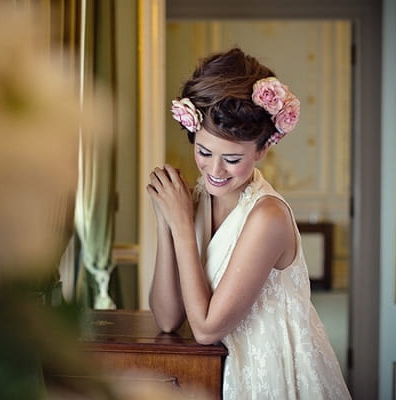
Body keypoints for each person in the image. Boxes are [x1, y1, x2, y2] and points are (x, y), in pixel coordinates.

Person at [147, 48, 351, 399]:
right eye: (204, 152)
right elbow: (167, 319)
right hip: (215, 373)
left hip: (269, 376)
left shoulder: (267, 216)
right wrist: (166, 222)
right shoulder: (196, 201)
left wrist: (182, 227)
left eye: (232, 158)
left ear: (262, 149)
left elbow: (207, 329)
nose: (214, 170)